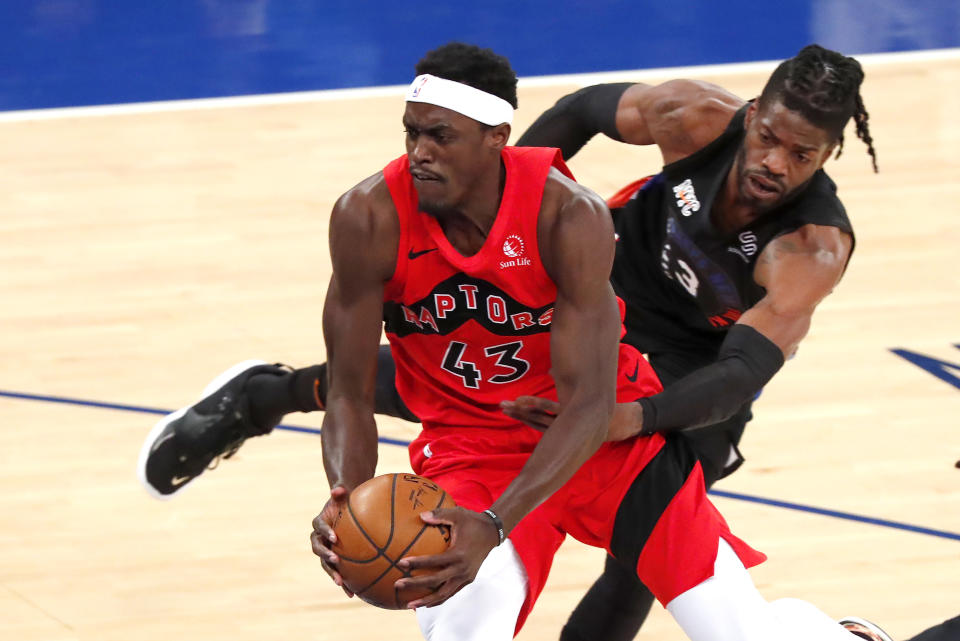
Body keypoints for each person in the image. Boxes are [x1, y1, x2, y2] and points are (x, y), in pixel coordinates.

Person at [139, 43, 891, 641]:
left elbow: (738, 376)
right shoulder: (690, 118)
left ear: (827, 156)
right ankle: (262, 395)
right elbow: (581, 109)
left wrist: (630, 419)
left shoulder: (810, 248)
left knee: (651, 578)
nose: (773, 163)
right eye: (768, 139)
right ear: (752, 114)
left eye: (801, 154)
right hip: (601, 280)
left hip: (682, 374)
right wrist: (509, 204)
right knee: (452, 374)